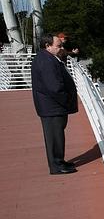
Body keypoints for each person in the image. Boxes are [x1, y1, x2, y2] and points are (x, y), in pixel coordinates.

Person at [31, 33, 78, 175]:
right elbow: (54, 87)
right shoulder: (46, 61)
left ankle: (59, 160)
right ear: (47, 46)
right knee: (54, 136)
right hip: (52, 107)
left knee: (57, 135)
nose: (61, 48)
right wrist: (66, 100)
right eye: (59, 46)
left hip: (53, 106)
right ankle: (56, 166)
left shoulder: (48, 57)